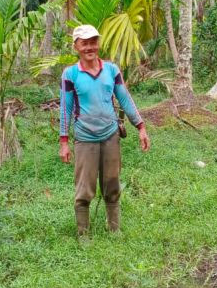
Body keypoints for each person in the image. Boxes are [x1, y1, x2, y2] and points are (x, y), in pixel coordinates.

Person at [59, 25, 150, 237]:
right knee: (84, 188)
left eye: (93, 42)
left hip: (110, 135)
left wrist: (141, 127)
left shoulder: (111, 70)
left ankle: (114, 228)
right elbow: (65, 108)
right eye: (84, 43)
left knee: (112, 183)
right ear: (76, 46)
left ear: (98, 44)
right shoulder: (70, 74)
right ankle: (83, 233)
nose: (90, 47)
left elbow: (125, 98)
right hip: (85, 138)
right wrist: (64, 142)